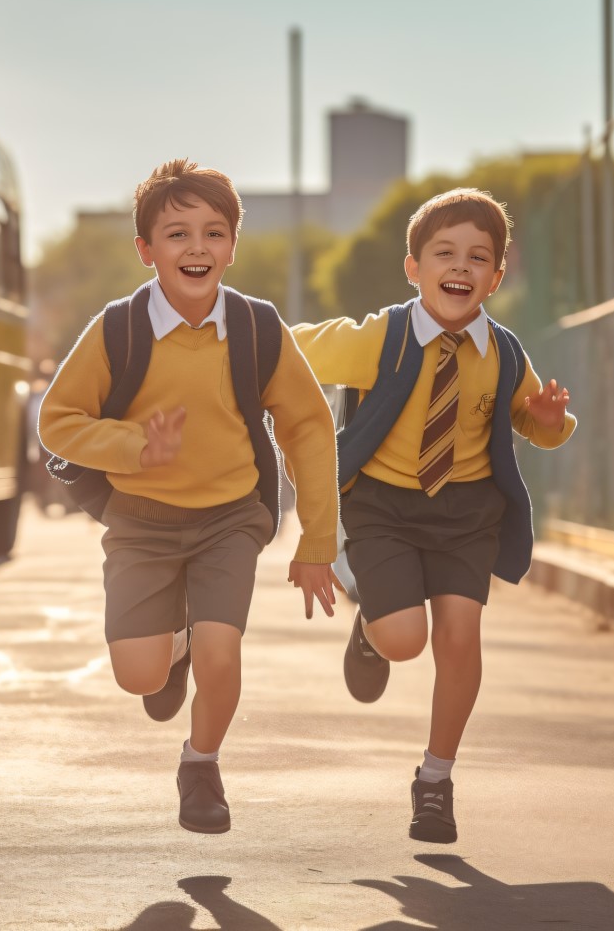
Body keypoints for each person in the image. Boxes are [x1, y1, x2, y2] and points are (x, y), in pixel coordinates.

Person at [38, 158, 340, 834]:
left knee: (222, 650)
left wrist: (318, 543)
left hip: (230, 516)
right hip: (139, 522)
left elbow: (309, 430)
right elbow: (56, 420)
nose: (196, 247)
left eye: (213, 232)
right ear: (146, 251)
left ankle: (201, 764)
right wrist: (134, 449)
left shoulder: (260, 330)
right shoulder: (117, 329)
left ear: (232, 245)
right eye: (176, 234)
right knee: (140, 677)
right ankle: (168, 647)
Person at [291, 187, 576, 844]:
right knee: (404, 640)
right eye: (444, 252)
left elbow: (534, 420)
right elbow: (288, 350)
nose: (461, 266)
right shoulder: (378, 337)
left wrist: (552, 422)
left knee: (458, 639)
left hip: (467, 513)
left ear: (497, 277)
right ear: (413, 267)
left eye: (479, 257)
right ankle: (371, 625)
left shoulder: (504, 353)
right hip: (382, 508)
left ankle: (436, 780)